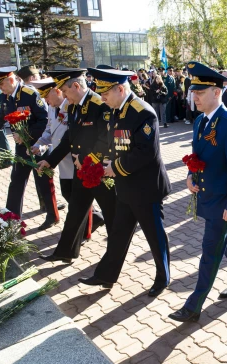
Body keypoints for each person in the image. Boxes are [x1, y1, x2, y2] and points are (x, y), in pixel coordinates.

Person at [168, 62, 227, 322]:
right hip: (207, 194)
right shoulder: (200, 121)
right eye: (193, 91)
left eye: (200, 92)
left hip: (223, 200)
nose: (194, 97)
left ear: (217, 92)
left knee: (209, 250)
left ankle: (194, 305)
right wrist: (190, 175)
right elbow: (198, 155)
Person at [77, 67, 171, 297]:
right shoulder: (115, 111)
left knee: (154, 235)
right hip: (125, 187)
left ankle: (163, 277)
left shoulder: (143, 113)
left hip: (146, 188)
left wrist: (114, 169)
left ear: (120, 89)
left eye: (106, 94)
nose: (103, 99)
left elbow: (145, 152)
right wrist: (93, 162)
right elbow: (110, 144)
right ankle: (105, 275)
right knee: (118, 233)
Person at [37, 69, 116, 263]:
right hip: (82, 170)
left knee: (112, 214)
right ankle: (65, 252)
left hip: (98, 170)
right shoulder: (72, 107)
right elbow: (69, 139)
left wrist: (88, 158)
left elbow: (106, 139)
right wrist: (50, 160)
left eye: (64, 91)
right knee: (76, 211)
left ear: (76, 86)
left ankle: (113, 259)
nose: (63, 96)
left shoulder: (99, 105)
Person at [0, 66, 58, 230]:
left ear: (10, 80)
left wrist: (27, 135)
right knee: (16, 181)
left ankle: (52, 216)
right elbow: (0, 118)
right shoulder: (6, 97)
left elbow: (45, 120)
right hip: (20, 147)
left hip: (38, 146)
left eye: (0, 84)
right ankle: (11, 219)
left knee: (44, 182)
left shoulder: (30, 94)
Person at [31, 78, 103, 241]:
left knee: (79, 198)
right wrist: (40, 144)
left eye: (47, 96)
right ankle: (96, 219)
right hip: (62, 160)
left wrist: (51, 158)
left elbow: (71, 137)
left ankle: (86, 230)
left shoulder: (71, 106)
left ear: (57, 91)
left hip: (76, 160)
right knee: (67, 193)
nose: (46, 101)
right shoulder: (52, 107)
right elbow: (50, 130)